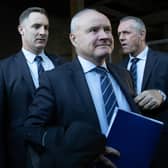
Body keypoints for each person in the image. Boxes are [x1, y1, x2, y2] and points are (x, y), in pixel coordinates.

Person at [24, 9, 141, 168]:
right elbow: (33, 129)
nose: (105, 36)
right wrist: (84, 149)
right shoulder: (54, 79)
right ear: (74, 39)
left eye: (107, 29)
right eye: (94, 30)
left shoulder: (124, 75)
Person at [0, 7, 64, 168]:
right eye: (36, 26)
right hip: (23, 154)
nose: (43, 32)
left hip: (62, 150)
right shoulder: (4, 69)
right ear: (21, 29)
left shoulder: (62, 65)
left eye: (46, 27)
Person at [117, 16, 168, 167]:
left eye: (126, 33)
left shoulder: (165, 61)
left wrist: (163, 95)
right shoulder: (118, 68)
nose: (121, 38)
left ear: (142, 34)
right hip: (130, 138)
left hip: (162, 140)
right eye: (119, 34)